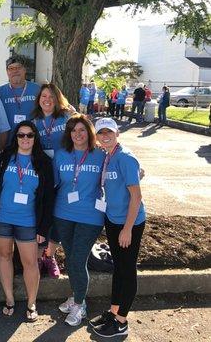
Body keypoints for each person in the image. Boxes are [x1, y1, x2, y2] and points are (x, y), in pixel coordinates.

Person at [0, 121, 54, 322]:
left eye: (30, 135)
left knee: (30, 262)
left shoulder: (43, 162)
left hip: (28, 221)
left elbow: (49, 198)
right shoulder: (2, 159)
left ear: (35, 138)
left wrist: (43, 227)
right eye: (21, 135)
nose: (25, 139)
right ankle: (9, 299)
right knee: (4, 255)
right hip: (2, 218)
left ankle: (31, 302)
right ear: (15, 137)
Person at [90, 118, 146, 337]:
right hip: (113, 220)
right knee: (118, 270)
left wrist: (127, 229)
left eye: (109, 132)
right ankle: (113, 312)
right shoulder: (107, 156)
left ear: (117, 134)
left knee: (127, 270)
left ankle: (121, 321)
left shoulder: (125, 158)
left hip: (128, 223)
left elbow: (136, 197)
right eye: (101, 133)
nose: (105, 136)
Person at [52, 114, 105, 326]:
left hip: (90, 216)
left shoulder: (100, 155)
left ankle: (81, 304)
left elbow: (119, 171)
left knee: (77, 259)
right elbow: (54, 185)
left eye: (82, 130)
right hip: (63, 213)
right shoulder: (60, 155)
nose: (77, 134)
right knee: (71, 257)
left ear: (89, 133)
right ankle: (75, 296)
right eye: (73, 130)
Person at [31, 83, 74, 278]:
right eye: (43, 96)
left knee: (58, 217)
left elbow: (85, 135)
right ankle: (39, 257)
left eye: (51, 96)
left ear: (57, 99)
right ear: (39, 99)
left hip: (64, 174)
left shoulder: (66, 118)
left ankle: (51, 256)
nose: (47, 100)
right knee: (42, 215)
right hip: (42, 176)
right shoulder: (33, 121)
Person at [0, 56, 40, 130]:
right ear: (7, 72)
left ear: (25, 70)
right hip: (7, 139)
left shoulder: (38, 89)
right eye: (11, 68)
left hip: (30, 139)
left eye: (18, 67)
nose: (15, 71)